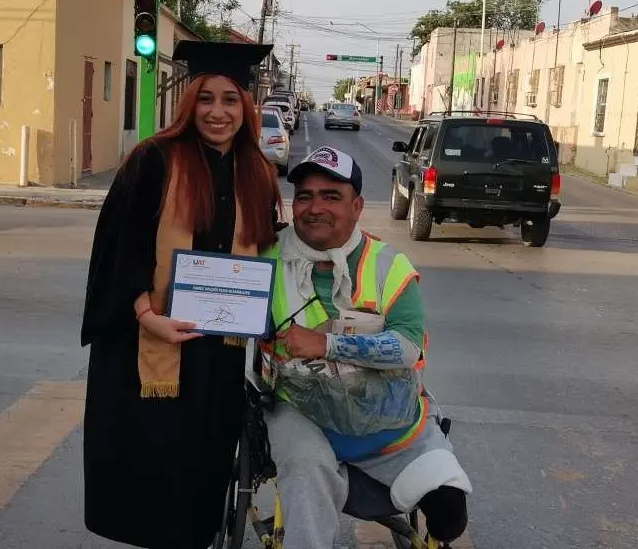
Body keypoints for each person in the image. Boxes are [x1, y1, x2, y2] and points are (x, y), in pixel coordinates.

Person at [80, 40, 284, 549]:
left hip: (216, 355)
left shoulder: (256, 172)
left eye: (230, 100)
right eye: (207, 99)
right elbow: (119, 250)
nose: (218, 112)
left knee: (202, 475)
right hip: (148, 344)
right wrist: (148, 316)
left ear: (247, 106)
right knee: (155, 477)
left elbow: (267, 254)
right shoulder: (155, 160)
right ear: (189, 102)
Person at [260, 146, 471, 549]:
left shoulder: (390, 265)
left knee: (448, 513)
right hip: (301, 412)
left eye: (330, 196)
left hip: (389, 419)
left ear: (357, 206)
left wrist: (327, 344)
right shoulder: (263, 259)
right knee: (306, 469)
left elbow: (409, 347)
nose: (314, 207)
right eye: (304, 195)